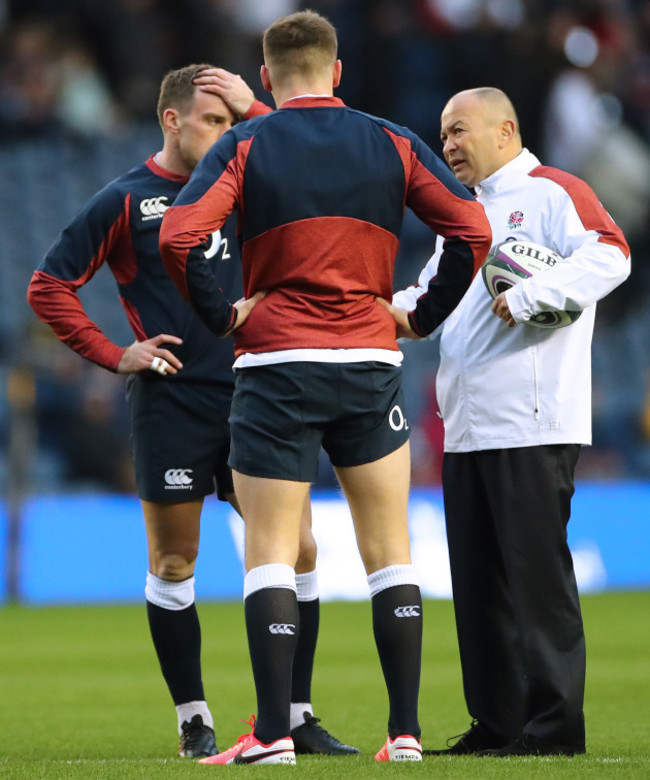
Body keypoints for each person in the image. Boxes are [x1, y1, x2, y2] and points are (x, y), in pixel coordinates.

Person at [159, 10, 492, 766]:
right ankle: (403, 733)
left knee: (272, 551)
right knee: (391, 552)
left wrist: (221, 312)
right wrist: (421, 315)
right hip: (371, 362)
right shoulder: (392, 140)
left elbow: (180, 234)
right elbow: (473, 230)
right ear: (337, 72)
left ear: (267, 79)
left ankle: (272, 733)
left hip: (276, 363)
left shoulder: (246, 141)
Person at [26, 63, 358, 759]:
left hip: (257, 396)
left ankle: (296, 715)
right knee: (176, 561)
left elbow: (316, 146)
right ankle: (193, 718)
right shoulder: (125, 201)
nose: (227, 132)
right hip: (173, 404)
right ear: (171, 120)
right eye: (214, 120)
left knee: (299, 550)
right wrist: (116, 353)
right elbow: (49, 285)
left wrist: (254, 107)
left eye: (233, 123)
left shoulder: (250, 183)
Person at [390, 87, 631, 757]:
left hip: (534, 420)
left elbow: (612, 254)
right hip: (466, 425)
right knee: (479, 588)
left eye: (459, 130)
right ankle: (497, 724)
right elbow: (425, 302)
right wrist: (367, 311)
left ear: (506, 130)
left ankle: (554, 729)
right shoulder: (460, 216)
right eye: (442, 135)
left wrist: (534, 294)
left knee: (536, 584)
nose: (448, 145)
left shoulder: (554, 192)